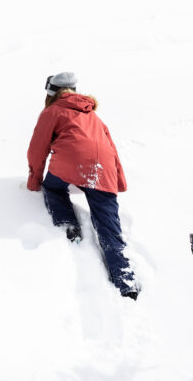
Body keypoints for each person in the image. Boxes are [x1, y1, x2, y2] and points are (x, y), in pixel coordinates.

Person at [26, 72, 138, 299]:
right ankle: (126, 282)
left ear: (51, 93)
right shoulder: (95, 117)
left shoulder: (52, 112)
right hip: (102, 169)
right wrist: (118, 182)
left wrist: (35, 181)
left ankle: (69, 223)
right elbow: (112, 149)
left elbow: (37, 149)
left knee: (54, 188)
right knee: (108, 225)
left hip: (70, 162)